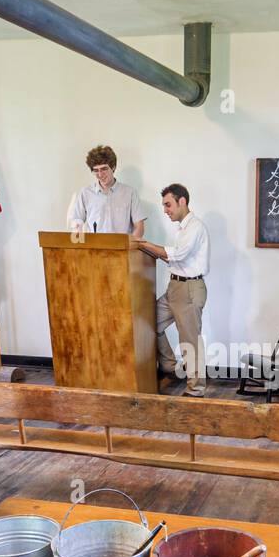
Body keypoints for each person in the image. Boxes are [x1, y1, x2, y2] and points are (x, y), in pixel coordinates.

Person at [130, 184, 209, 397]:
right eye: (164, 206)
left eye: (168, 205)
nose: (165, 210)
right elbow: (173, 258)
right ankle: (171, 367)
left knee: (190, 339)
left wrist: (141, 243)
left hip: (190, 289)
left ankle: (196, 389)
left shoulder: (195, 226)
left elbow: (178, 255)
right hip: (174, 287)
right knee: (149, 322)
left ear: (182, 201)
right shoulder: (182, 228)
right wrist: (154, 251)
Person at [66, 144, 145, 237]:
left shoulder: (130, 193)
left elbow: (139, 226)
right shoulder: (85, 193)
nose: (100, 174)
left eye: (104, 169)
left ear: (113, 167)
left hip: (122, 249)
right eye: (96, 170)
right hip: (94, 249)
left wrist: (129, 247)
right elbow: (77, 222)